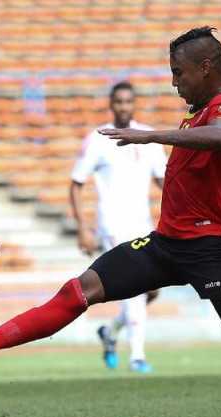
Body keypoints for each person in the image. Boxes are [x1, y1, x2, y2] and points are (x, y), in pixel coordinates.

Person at [0, 27, 221, 377]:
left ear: (204, 67)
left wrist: (151, 136)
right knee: (80, 290)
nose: (174, 83)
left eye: (178, 73)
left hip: (211, 250)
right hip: (168, 243)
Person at [69, 81, 166, 373]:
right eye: (119, 101)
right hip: (111, 224)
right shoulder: (99, 139)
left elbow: (165, 183)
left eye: (128, 101)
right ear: (111, 104)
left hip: (143, 224)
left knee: (151, 291)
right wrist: (83, 227)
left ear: (134, 104)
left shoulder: (148, 138)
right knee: (135, 290)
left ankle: (110, 333)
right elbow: (76, 184)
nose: (123, 106)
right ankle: (137, 356)